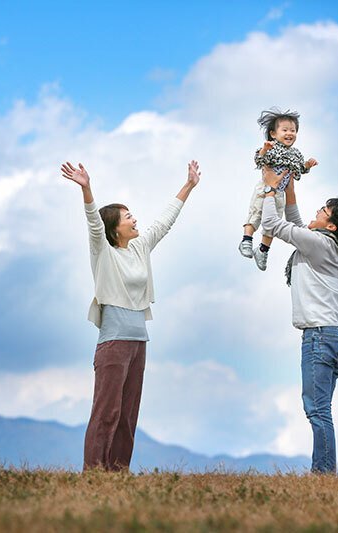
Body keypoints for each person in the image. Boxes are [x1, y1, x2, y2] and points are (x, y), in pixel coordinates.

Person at [61, 160, 201, 471]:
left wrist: (189, 185)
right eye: (127, 217)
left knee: (127, 414)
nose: (134, 219)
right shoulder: (103, 251)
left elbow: (164, 221)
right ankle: (95, 472)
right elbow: (93, 224)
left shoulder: (140, 248)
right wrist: (86, 188)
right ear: (114, 228)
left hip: (139, 341)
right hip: (113, 342)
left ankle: (118, 472)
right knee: (107, 411)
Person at [260, 166, 338, 474]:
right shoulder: (326, 245)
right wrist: (289, 187)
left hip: (319, 337)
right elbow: (295, 223)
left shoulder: (319, 245)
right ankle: (324, 473)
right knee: (321, 410)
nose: (317, 211)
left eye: (323, 210)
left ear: (330, 226)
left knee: (317, 411)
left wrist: (268, 188)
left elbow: (272, 224)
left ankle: (324, 475)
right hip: (332, 337)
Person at [238, 108, 318, 271]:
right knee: (257, 212)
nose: (290, 133)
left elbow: (299, 169)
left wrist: (307, 165)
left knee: (273, 221)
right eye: (285, 130)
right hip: (265, 187)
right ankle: (246, 239)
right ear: (274, 134)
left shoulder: (296, 154)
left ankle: (263, 250)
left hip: (280, 193)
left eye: (293, 130)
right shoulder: (271, 147)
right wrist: (265, 149)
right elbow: (259, 160)